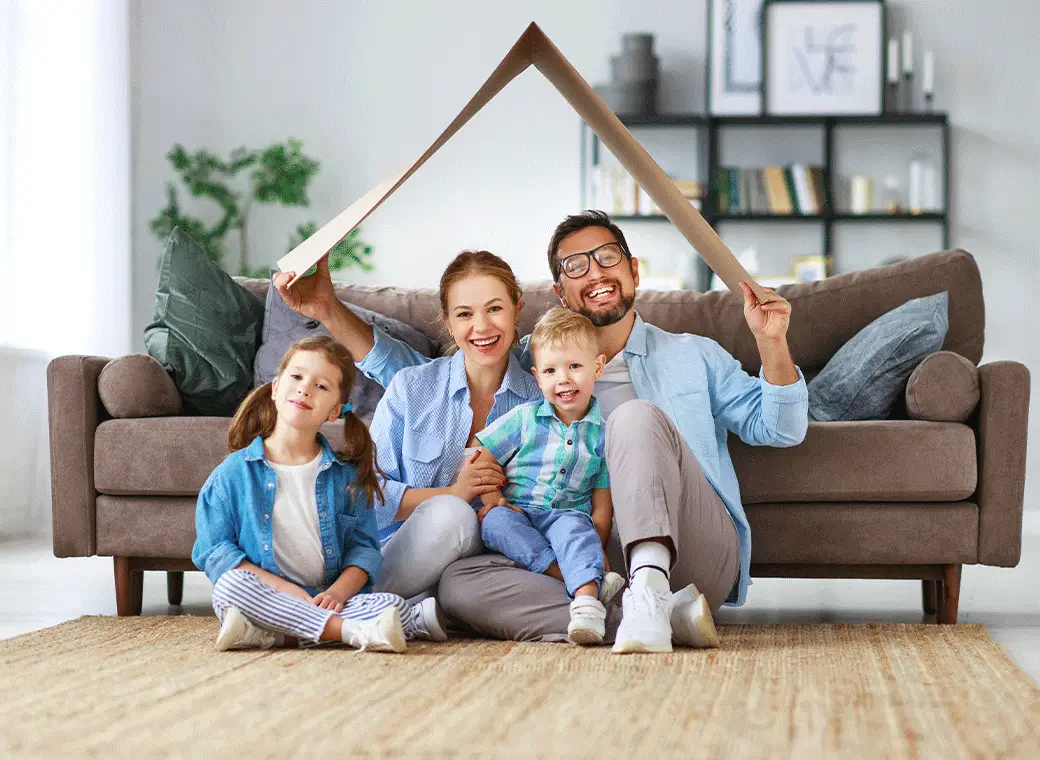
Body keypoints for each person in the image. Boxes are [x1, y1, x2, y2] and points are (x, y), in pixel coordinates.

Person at [277, 211, 809, 651]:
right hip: (579, 559)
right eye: (576, 266)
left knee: (633, 418)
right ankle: (644, 616)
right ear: (558, 291)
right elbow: (426, 377)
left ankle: (652, 592)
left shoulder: (693, 355)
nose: (595, 272)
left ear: (633, 270)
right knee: (460, 584)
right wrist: (326, 309)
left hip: (690, 551)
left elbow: (781, 429)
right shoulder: (537, 363)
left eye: (607, 257)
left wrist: (772, 343)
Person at [276, 251, 543, 605]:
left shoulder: (540, 403)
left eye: (494, 309)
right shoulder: (412, 387)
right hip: (400, 554)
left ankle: (379, 610)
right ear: (448, 322)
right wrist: (454, 493)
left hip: (484, 566)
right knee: (453, 515)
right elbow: (369, 493)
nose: (481, 327)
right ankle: (350, 605)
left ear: (516, 310)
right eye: (464, 314)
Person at [192, 336, 447, 653]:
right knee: (230, 588)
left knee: (388, 602)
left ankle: (277, 635)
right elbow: (214, 551)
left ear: (334, 411)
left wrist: (339, 593)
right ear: (275, 388)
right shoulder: (232, 474)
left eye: (321, 386)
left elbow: (364, 551)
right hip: (263, 595)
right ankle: (352, 632)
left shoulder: (346, 479)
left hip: (324, 597)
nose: (305, 389)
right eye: (297, 377)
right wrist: (285, 590)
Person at [474, 308, 625, 645]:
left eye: (575, 366)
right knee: (494, 523)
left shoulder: (603, 434)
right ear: (537, 377)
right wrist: (492, 500)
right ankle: (579, 578)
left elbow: (602, 495)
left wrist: (596, 534)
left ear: (597, 367)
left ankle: (586, 605)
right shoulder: (524, 418)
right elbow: (482, 455)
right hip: (520, 513)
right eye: (551, 370)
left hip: (567, 516)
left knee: (577, 531)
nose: (563, 379)